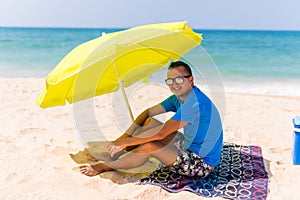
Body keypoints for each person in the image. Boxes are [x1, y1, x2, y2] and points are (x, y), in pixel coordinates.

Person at [79, 61, 223, 177]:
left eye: (179, 79)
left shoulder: (195, 104)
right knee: (150, 123)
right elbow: (147, 113)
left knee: (149, 147)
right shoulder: (179, 98)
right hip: (188, 145)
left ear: (190, 80)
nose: (174, 84)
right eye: (170, 80)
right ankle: (116, 152)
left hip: (202, 163)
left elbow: (161, 134)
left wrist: (126, 142)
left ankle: (105, 166)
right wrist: (121, 140)